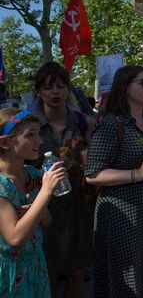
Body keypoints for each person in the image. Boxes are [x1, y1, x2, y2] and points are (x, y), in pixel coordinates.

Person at [83, 65, 143, 297]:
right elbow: (93, 175)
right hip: (120, 212)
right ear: (125, 88)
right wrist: (137, 174)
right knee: (128, 277)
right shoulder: (112, 124)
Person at [31, 61, 94, 298]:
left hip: (77, 206)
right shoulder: (31, 124)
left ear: (68, 89)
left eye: (60, 86)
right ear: (39, 91)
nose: (55, 92)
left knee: (76, 272)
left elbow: (92, 165)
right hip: (41, 207)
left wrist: (76, 166)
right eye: (48, 87)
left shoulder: (81, 121)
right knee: (46, 272)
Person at [0, 109, 67, 297]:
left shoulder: (32, 175)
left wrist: (35, 211)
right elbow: (15, 239)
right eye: (30, 135)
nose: (40, 141)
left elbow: (46, 221)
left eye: (38, 133)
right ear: (4, 142)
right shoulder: (1, 185)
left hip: (36, 266)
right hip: (8, 274)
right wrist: (45, 192)